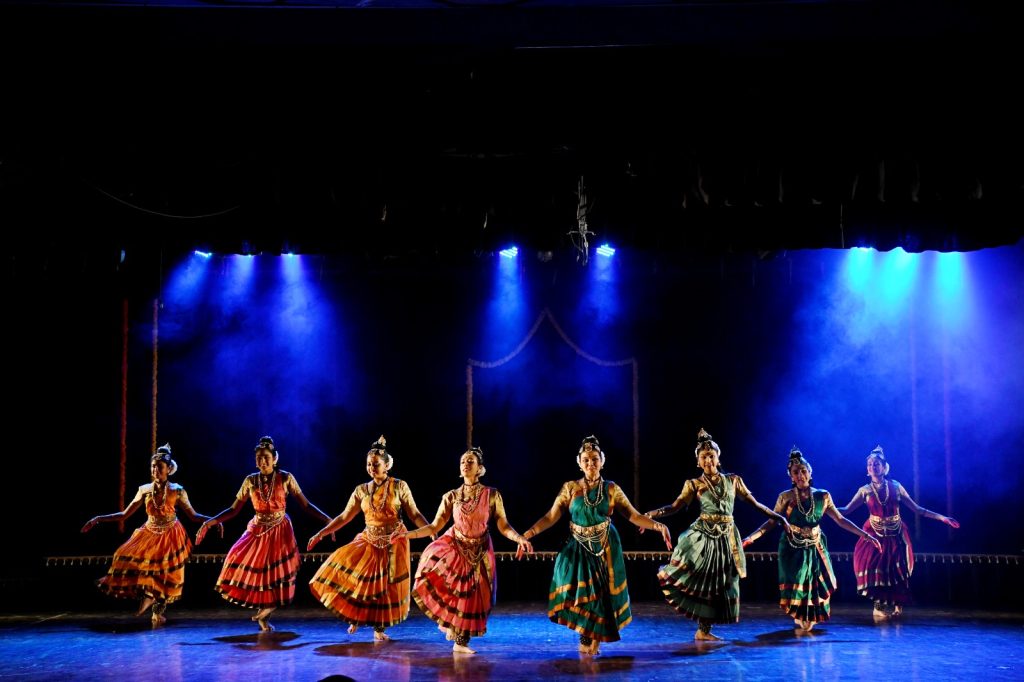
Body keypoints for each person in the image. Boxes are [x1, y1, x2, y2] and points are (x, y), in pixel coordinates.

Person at [517, 435, 673, 656]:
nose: (591, 463)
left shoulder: (611, 489)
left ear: (602, 461)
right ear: (579, 463)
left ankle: (595, 641)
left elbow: (633, 515)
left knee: (601, 595)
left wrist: (658, 526)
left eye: (595, 459)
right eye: (586, 460)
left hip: (606, 547)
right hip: (578, 546)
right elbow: (551, 516)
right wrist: (528, 534)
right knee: (580, 593)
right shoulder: (570, 488)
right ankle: (585, 637)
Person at [649, 428, 791, 641]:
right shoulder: (694, 484)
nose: (708, 460)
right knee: (705, 581)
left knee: (723, 582)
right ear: (698, 462)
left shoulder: (733, 480)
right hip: (704, 536)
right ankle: (703, 629)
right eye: (703, 457)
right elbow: (675, 507)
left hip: (727, 537)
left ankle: (704, 630)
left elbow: (756, 504)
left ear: (718, 457)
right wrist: (653, 514)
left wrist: (779, 518)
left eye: (711, 455)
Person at [403, 446, 533, 654]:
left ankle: (461, 641)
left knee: (476, 596)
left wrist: (519, 538)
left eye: (470, 461)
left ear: (480, 468)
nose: (465, 464)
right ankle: (459, 639)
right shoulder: (451, 496)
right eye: (463, 461)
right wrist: (407, 535)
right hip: (456, 548)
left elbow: (503, 525)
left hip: (481, 550)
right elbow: (434, 527)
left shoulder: (492, 495)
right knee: (458, 593)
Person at [196, 435, 332, 631]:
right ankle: (264, 613)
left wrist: (328, 521)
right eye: (259, 458)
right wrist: (210, 522)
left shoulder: (285, 478)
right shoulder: (250, 481)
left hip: (280, 530)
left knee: (278, 573)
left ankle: (268, 608)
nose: (263, 461)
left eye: (266, 457)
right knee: (247, 564)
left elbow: (306, 505)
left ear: (275, 458)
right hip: (258, 528)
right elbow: (234, 509)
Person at [307, 436, 433, 641]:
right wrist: (321, 533)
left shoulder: (399, 486)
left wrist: (430, 530)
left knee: (386, 587)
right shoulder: (361, 490)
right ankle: (355, 615)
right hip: (369, 538)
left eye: (376, 464)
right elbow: (344, 516)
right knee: (360, 578)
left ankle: (379, 629)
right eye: (368, 464)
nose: (371, 468)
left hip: (394, 540)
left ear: (387, 465)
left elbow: (414, 514)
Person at [741, 446, 882, 630]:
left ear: (810, 472)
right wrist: (750, 538)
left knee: (817, 583)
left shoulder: (823, 496)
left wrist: (866, 535)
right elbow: (771, 522)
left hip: (816, 545)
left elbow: (840, 520)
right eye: (795, 472)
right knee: (798, 581)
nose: (800, 475)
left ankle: (810, 616)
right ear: (791, 477)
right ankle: (801, 614)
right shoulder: (785, 497)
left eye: (803, 471)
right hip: (793, 547)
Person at [82, 444, 212, 624]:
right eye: (153, 466)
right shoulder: (144, 490)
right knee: (124, 555)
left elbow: (193, 515)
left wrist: (213, 521)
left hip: (171, 533)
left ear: (168, 469)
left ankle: (157, 612)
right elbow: (125, 514)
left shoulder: (177, 490)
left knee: (167, 573)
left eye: (159, 467)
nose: (155, 470)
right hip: (149, 532)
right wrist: (98, 519)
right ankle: (148, 596)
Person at [837, 445, 959, 620]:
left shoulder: (896, 486)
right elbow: (846, 510)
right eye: (870, 464)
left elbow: (918, 509)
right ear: (867, 469)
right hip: (874, 533)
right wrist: (825, 508)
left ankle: (896, 603)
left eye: (876, 463)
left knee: (895, 569)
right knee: (875, 567)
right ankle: (878, 605)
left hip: (896, 533)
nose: (873, 466)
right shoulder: (864, 491)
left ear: (884, 467)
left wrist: (942, 518)